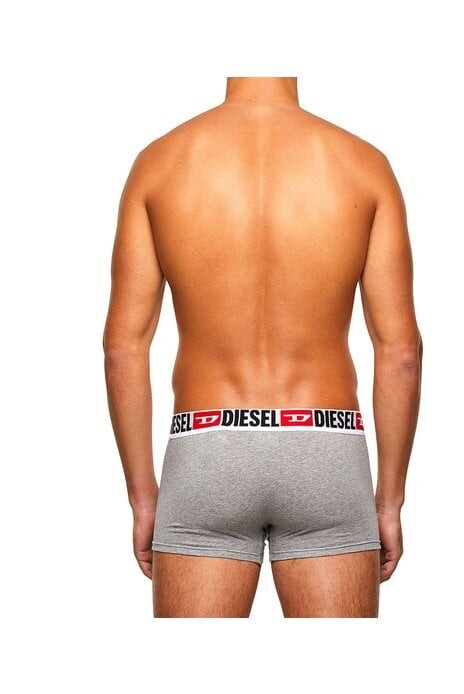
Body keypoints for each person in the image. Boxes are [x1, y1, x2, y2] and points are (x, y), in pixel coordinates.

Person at [103, 76, 422, 618]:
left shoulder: (160, 163)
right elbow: (401, 353)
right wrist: (389, 501)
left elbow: (122, 349)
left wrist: (144, 498)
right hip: (325, 444)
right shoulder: (363, 164)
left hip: (205, 445)